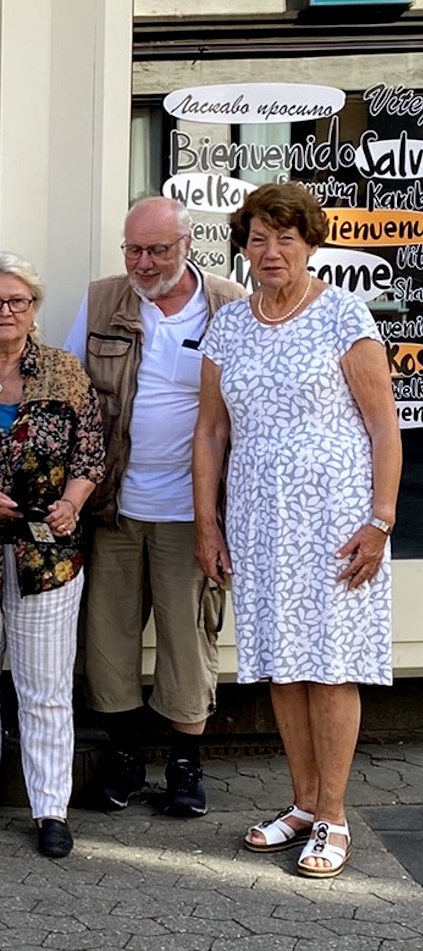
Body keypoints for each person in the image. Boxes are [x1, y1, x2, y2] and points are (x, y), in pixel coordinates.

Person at [194, 182, 401, 881]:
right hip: (259, 520)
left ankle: (335, 816)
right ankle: (303, 803)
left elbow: (382, 427)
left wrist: (379, 520)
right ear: (243, 246)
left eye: (285, 237)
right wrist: (206, 521)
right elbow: (210, 430)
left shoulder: (343, 314)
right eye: (257, 237)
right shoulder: (228, 324)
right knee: (283, 663)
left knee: (330, 664)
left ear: (309, 242)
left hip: (338, 522)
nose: (270, 250)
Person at [64, 196, 246, 815]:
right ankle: (122, 759)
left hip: (194, 511)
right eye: (133, 249)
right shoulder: (100, 300)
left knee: (189, 640)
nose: (143, 263)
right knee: (109, 638)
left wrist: (219, 519)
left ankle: (186, 765)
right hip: (114, 505)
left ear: (186, 246)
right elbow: (72, 397)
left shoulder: (229, 306)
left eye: (157, 250)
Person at [0, 253, 104, 859]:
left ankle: (50, 807)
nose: (5, 311)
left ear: (35, 309)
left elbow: (93, 450)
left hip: (49, 552)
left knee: (44, 685)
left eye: (17, 301)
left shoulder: (64, 372)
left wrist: (73, 500)